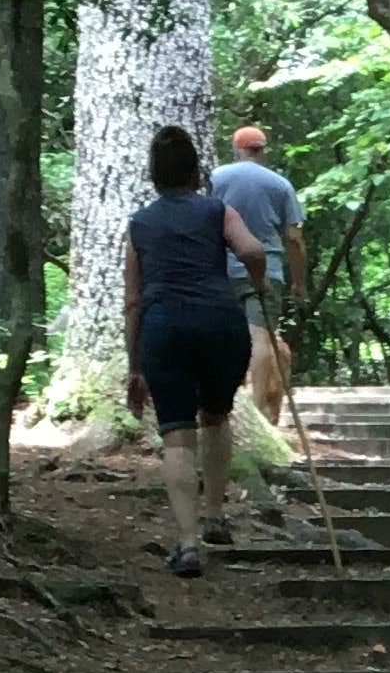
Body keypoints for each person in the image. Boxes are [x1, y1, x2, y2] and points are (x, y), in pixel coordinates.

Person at [123, 125, 272, 574]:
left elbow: (132, 299)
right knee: (217, 414)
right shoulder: (218, 212)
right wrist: (258, 287)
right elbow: (254, 251)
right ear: (196, 171)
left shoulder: (139, 225)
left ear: (155, 176)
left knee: (176, 435)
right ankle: (214, 515)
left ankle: (188, 545)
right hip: (220, 324)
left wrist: (135, 366)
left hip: (163, 327)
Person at [209, 123, 307, 425]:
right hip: (267, 271)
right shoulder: (280, 185)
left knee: (221, 338)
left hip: (221, 269)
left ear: (237, 149)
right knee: (261, 338)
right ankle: (254, 414)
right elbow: (293, 237)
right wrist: (299, 282)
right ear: (262, 150)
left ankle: (221, 406)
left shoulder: (215, 178)